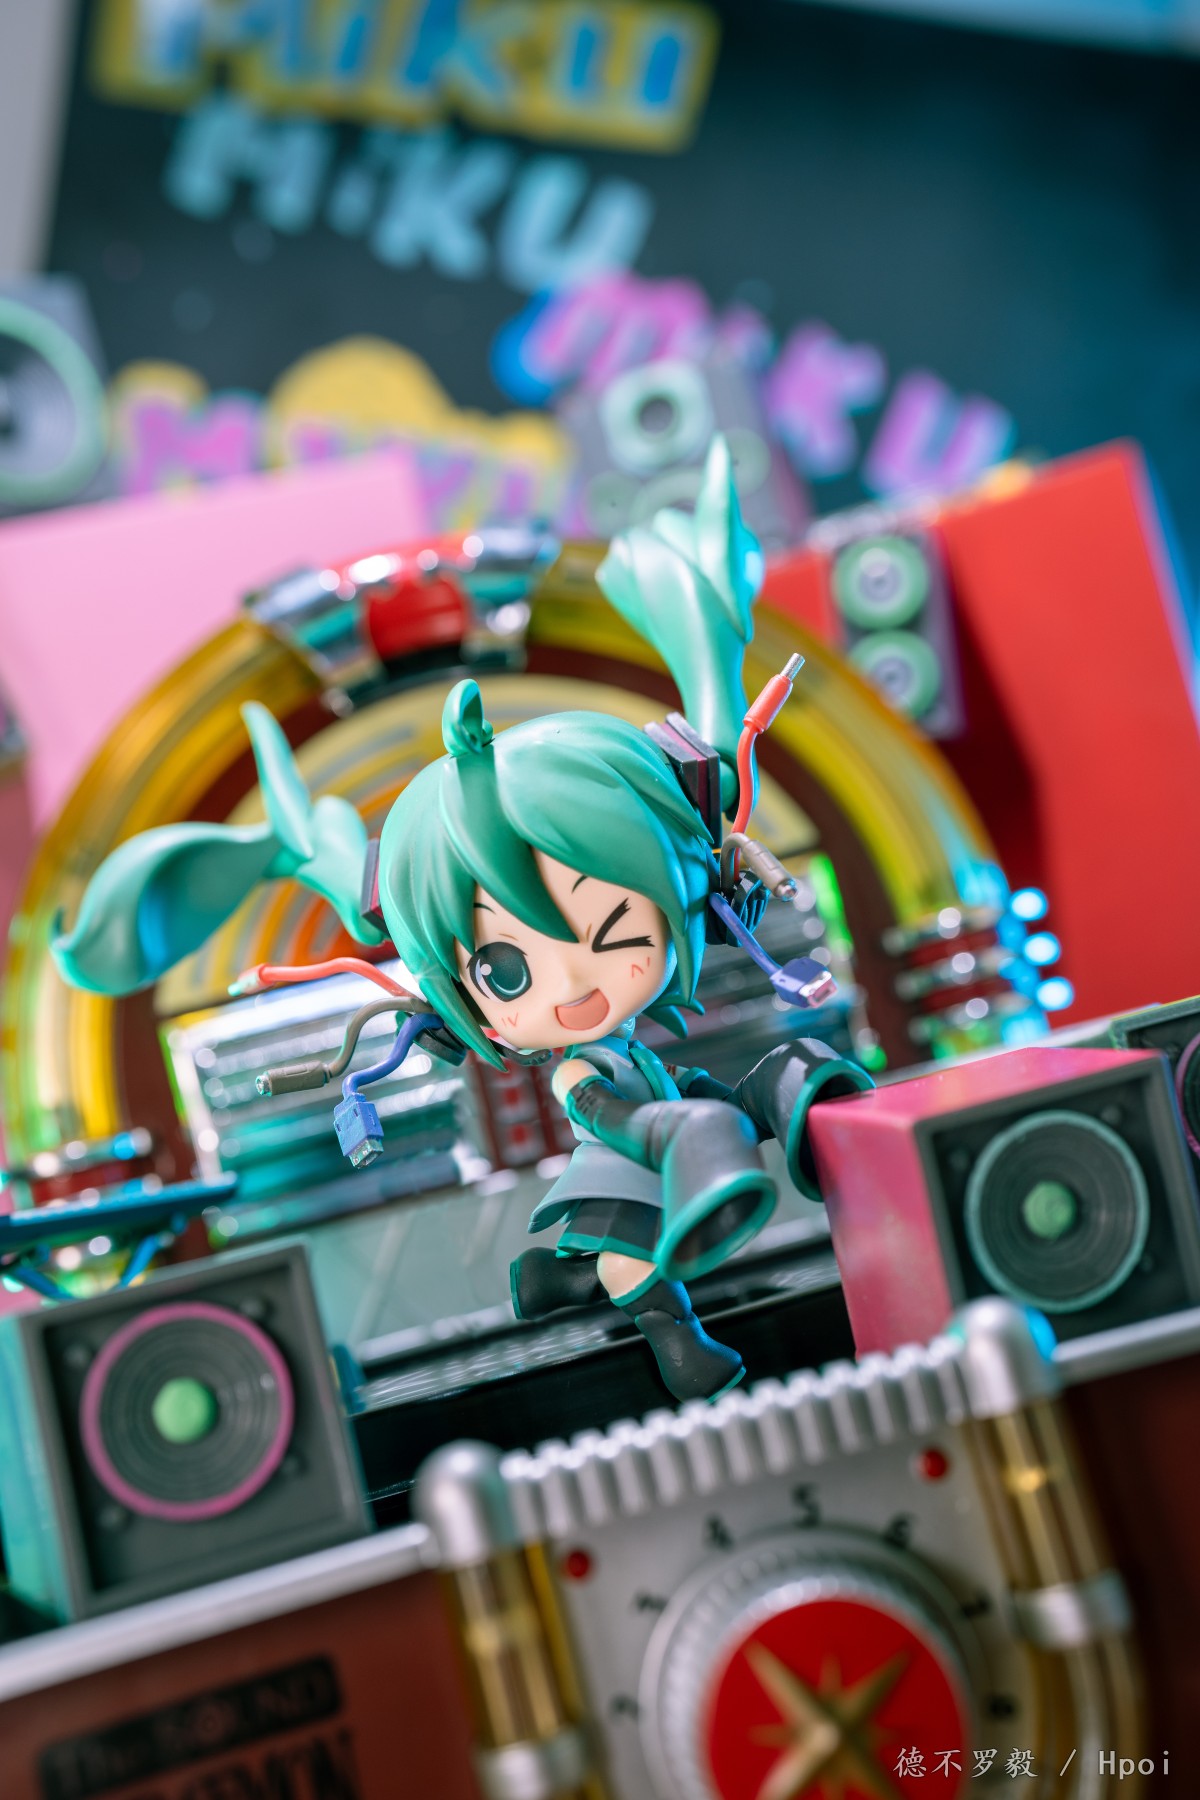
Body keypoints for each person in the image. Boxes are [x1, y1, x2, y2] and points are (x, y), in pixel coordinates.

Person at [53, 437, 869, 1401]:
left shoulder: (656, 955)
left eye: (613, 926)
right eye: (507, 972)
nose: (573, 981)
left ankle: (819, 1149)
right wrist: (679, 1132)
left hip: (672, 1117)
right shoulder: (581, 1074)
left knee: (774, 1089)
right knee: (633, 1244)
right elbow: (616, 1116)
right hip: (633, 1149)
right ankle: (667, 1334)